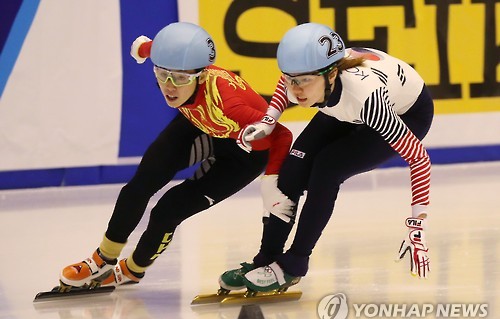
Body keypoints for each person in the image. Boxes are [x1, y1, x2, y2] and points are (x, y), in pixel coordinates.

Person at [59, 22, 294, 289]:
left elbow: (282, 135)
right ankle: (102, 260)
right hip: (200, 126)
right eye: (162, 74)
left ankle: (133, 270)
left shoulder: (230, 104)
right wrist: (143, 49)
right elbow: (149, 48)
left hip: (244, 153)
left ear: (202, 76)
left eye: (181, 78)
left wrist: (272, 179)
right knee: (139, 186)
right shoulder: (168, 61)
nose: (170, 86)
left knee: (167, 211)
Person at [219, 23, 433, 293]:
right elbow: (285, 84)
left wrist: (417, 225)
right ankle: (266, 258)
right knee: (293, 168)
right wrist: (269, 121)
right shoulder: (310, 77)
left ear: (332, 74)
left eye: (304, 80)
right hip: (342, 105)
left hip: (406, 112)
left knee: (327, 168)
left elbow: (420, 159)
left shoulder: (367, 101)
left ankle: (294, 264)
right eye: (291, 79)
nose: (296, 90)